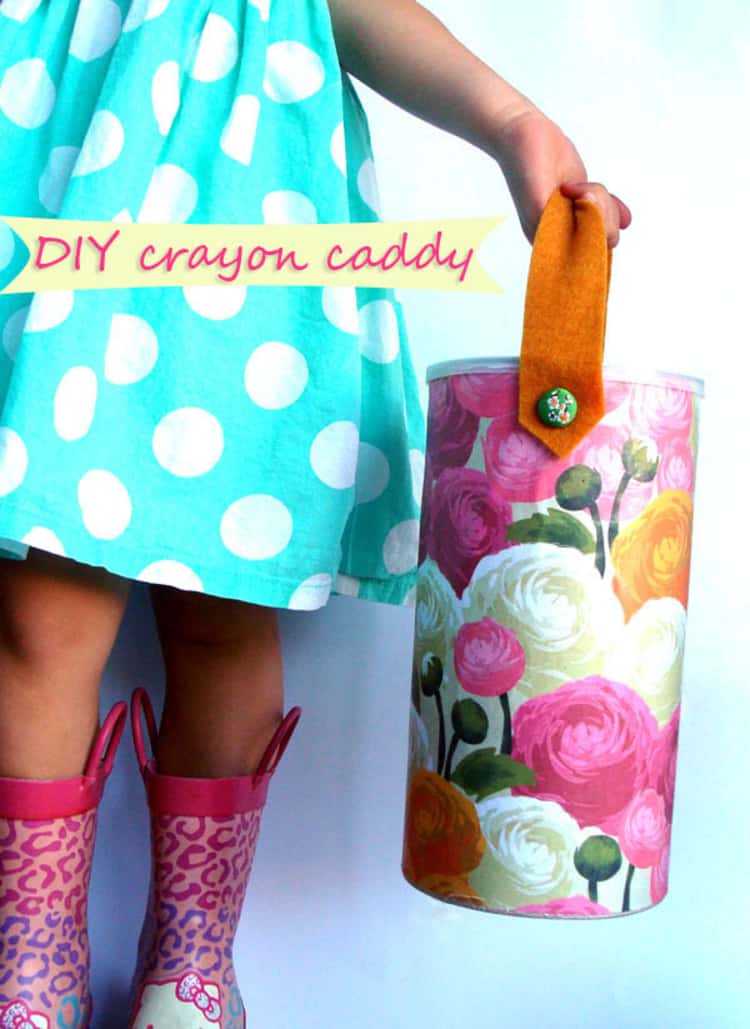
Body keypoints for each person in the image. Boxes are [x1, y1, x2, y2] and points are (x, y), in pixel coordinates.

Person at [0, 0, 632, 1026]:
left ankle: (190, 978)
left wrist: (510, 118)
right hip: (58, 167)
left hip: (249, 216)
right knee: (43, 607)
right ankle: (31, 980)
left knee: (226, 593)